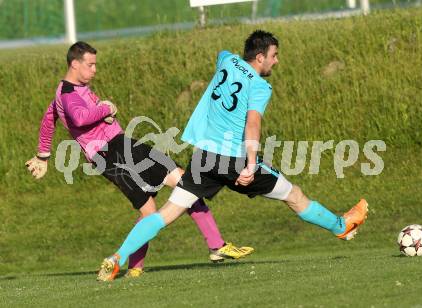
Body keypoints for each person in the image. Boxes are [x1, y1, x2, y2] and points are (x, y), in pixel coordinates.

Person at [97, 30, 368, 282]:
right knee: (294, 195)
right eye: (274, 55)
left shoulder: (227, 61)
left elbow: (223, 53)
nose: (276, 61)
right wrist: (251, 163)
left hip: (203, 158)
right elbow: (253, 124)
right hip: (234, 161)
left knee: (167, 213)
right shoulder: (261, 87)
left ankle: (116, 258)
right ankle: (340, 226)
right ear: (260, 57)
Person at [25, 41, 254, 279]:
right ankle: (213, 246)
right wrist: (106, 108)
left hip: (116, 150)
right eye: (90, 65)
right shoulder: (68, 93)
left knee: (163, 200)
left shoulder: (65, 91)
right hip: (114, 151)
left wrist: (44, 154)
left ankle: (136, 267)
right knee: (178, 189)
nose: (94, 70)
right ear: (74, 64)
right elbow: (80, 118)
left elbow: (48, 119)